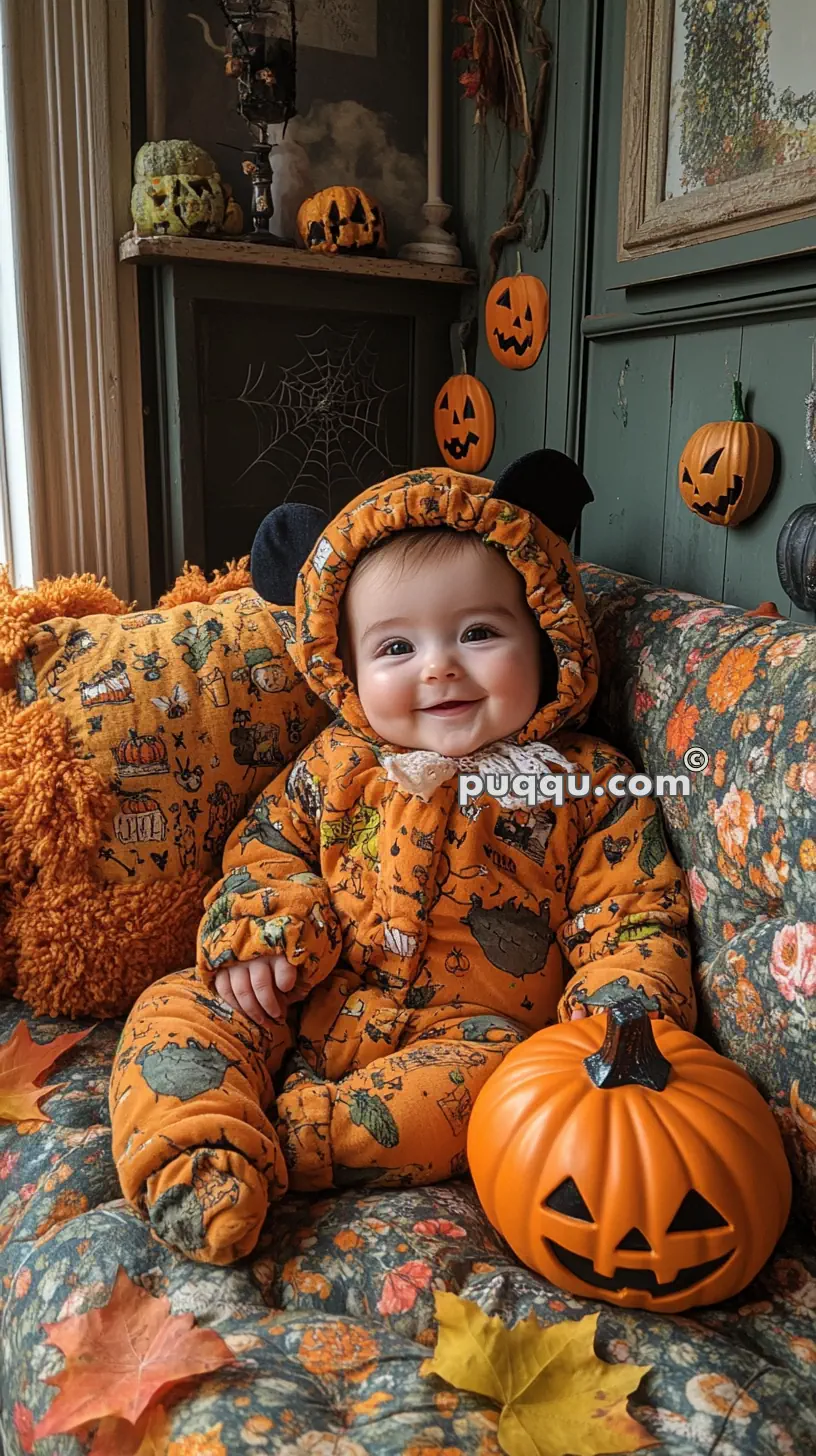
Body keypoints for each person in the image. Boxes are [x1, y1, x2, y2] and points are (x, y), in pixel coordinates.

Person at [109, 451, 695, 1265]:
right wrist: (263, 932)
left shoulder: (588, 785)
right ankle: (195, 1156)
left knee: (492, 1091)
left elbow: (632, 918)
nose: (439, 666)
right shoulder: (332, 768)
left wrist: (617, 1018)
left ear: (548, 634)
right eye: (395, 649)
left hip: (470, 1036)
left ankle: (301, 1144)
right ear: (345, 669)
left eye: (479, 632)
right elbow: (266, 846)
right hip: (312, 995)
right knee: (178, 1003)